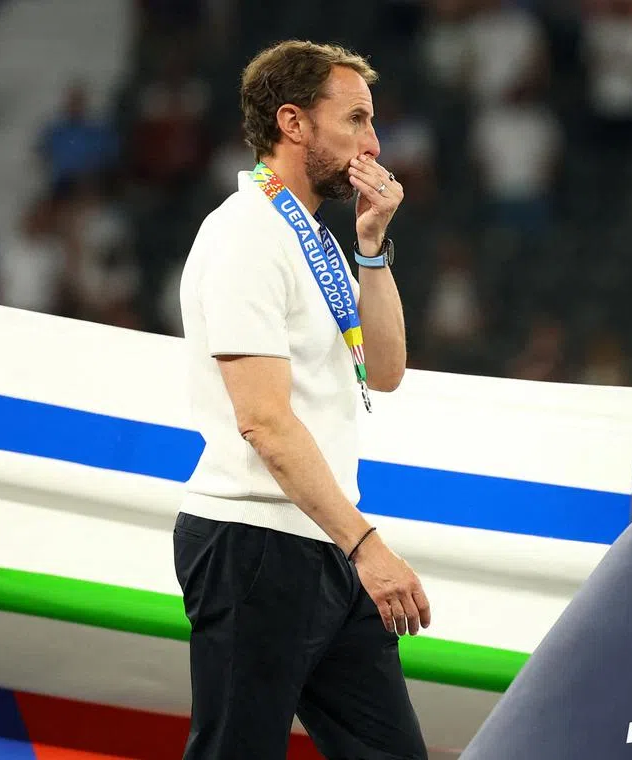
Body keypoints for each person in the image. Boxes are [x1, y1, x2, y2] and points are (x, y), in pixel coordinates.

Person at [173, 40, 430, 759]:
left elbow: (384, 370)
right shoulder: (245, 235)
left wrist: (373, 248)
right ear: (293, 122)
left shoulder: (311, 239)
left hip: (324, 542)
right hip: (254, 541)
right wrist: (367, 545)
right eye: (355, 119)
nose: (373, 144)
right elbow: (263, 420)